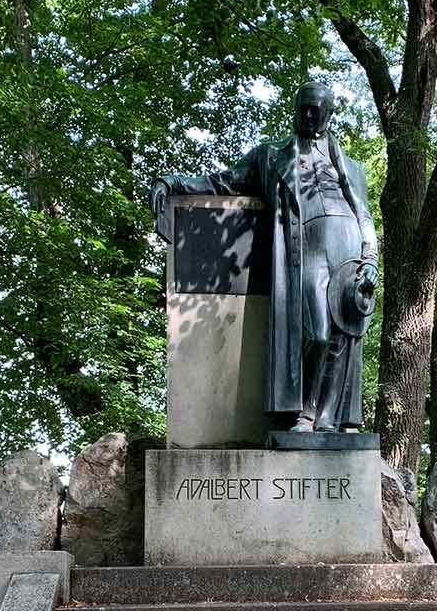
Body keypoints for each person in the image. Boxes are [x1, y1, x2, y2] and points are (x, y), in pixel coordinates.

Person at [150, 81, 378, 432]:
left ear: (329, 115)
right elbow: (224, 182)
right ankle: (302, 410)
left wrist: (371, 259)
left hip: (349, 246)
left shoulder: (351, 168)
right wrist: (174, 182)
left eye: (315, 109)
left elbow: (364, 215)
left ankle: (323, 419)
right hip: (306, 246)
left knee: (341, 335)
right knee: (316, 332)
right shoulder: (272, 155)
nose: (306, 114)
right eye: (301, 107)